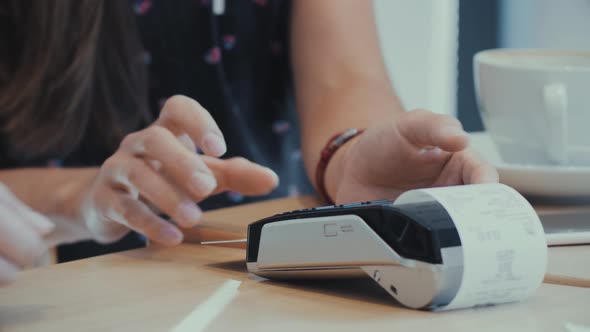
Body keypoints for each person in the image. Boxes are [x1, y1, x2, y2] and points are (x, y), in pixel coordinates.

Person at [0, 0, 498, 263]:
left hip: (273, 276)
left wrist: (352, 155)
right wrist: (84, 196)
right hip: (64, 282)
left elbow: (345, 78)